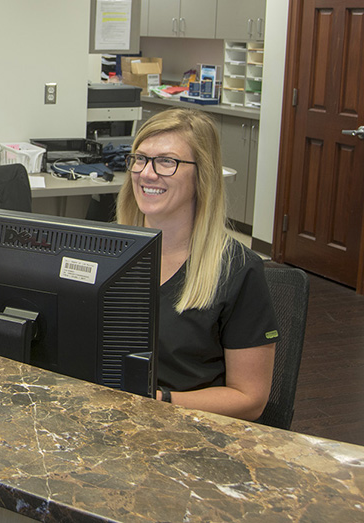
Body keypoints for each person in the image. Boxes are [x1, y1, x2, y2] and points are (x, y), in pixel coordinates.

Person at [116, 108, 277, 421]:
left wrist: (160, 401)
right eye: (140, 158)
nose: (147, 173)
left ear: (202, 174)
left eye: (167, 161)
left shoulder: (237, 270)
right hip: (107, 419)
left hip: (188, 432)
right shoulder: (107, 252)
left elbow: (250, 398)